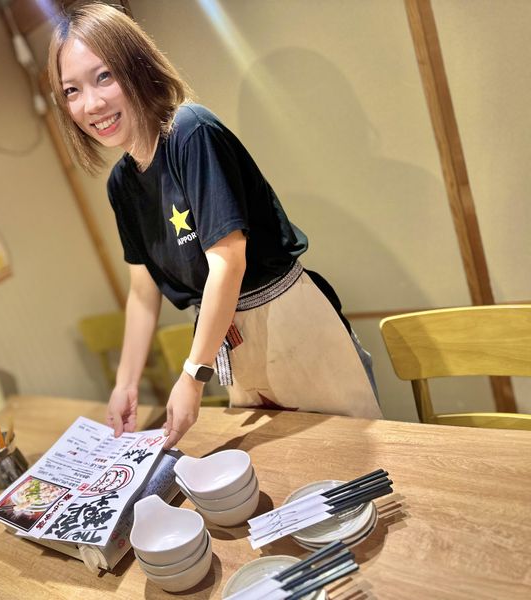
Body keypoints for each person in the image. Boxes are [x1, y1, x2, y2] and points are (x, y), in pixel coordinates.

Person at [48, 3, 382, 450]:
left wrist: (193, 374)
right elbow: (143, 291)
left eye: (104, 76)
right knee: (279, 470)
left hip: (289, 324)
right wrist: (126, 383)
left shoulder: (191, 132)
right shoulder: (121, 185)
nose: (91, 104)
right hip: (229, 341)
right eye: (71, 90)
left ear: (137, 65)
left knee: (354, 456)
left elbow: (228, 261)